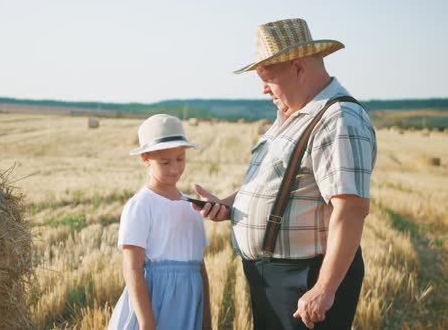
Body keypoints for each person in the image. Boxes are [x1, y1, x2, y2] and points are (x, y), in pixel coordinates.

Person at [193, 18, 377, 330]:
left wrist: (323, 288)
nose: (263, 89)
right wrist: (230, 206)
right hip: (279, 278)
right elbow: (280, 182)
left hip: (305, 278)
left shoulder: (339, 120)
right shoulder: (292, 116)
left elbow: (351, 208)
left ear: (298, 68)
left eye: (268, 77)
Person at [108, 114, 212, 330]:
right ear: (145, 159)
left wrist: (206, 321)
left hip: (189, 305)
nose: (174, 169)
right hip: (153, 306)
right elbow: (132, 268)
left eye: (180, 159)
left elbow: (200, 268)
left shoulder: (191, 207)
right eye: (164, 162)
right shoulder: (141, 205)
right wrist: (147, 323)